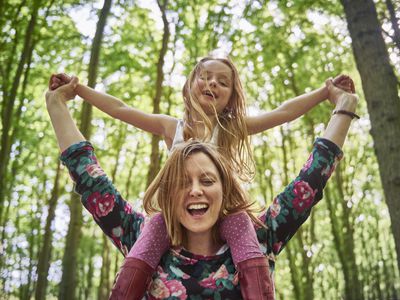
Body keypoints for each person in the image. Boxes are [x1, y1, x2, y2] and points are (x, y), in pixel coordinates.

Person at [49, 55, 354, 300]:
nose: (212, 83)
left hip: (230, 216)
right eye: (205, 76)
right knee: (154, 227)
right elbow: (120, 109)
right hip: (167, 218)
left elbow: (284, 113)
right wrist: (77, 90)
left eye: (223, 82)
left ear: (231, 97)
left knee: (241, 225)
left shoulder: (233, 129)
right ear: (189, 86)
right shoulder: (172, 128)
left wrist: (326, 92)